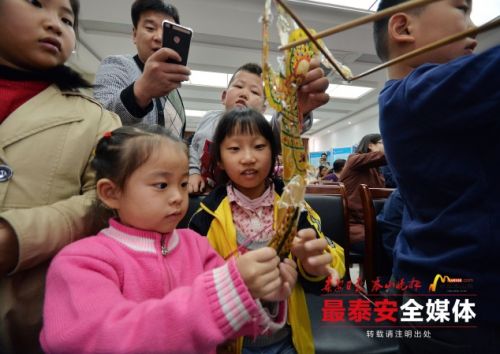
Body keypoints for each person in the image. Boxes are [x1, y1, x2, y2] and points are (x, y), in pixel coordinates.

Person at [40, 125, 296, 354]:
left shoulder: (196, 246)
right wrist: (227, 290)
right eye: (162, 185)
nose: (177, 196)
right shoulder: (82, 261)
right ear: (111, 193)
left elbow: (230, 323)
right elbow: (105, 338)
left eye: (183, 184)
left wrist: (262, 293)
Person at [374, 0, 500, 352]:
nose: (474, 27)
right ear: (403, 29)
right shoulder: (416, 93)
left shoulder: (412, 98)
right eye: (461, 8)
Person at [0, 0, 121, 353]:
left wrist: (15, 238)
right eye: (36, 4)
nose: (55, 24)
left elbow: (103, 201)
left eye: (67, 19)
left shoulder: (97, 120)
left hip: (30, 314)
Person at [189, 108, 345, 354]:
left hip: (287, 339)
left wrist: (314, 267)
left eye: (259, 146)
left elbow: (332, 261)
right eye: (234, 149)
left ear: (274, 153)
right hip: (231, 344)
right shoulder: (205, 218)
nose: (248, 158)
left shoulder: (295, 206)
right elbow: (194, 288)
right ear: (218, 159)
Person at [188, 61, 330, 194]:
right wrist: (193, 172)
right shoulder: (209, 118)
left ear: (263, 108)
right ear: (224, 96)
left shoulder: (262, 131)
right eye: (238, 86)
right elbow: (194, 147)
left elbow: (279, 130)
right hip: (201, 199)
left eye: (254, 92)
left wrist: (292, 111)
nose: (244, 93)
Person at [93, 0, 189, 138]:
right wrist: (141, 91)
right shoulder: (117, 64)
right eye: (150, 28)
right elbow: (101, 117)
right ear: (134, 34)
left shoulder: (173, 90)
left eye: (167, 32)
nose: (159, 37)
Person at [339, 134, 386, 255]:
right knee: (386, 244)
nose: (386, 146)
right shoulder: (354, 159)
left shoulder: (377, 170)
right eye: (383, 142)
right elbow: (383, 156)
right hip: (354, 227)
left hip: (372, 223)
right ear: (370, 145)